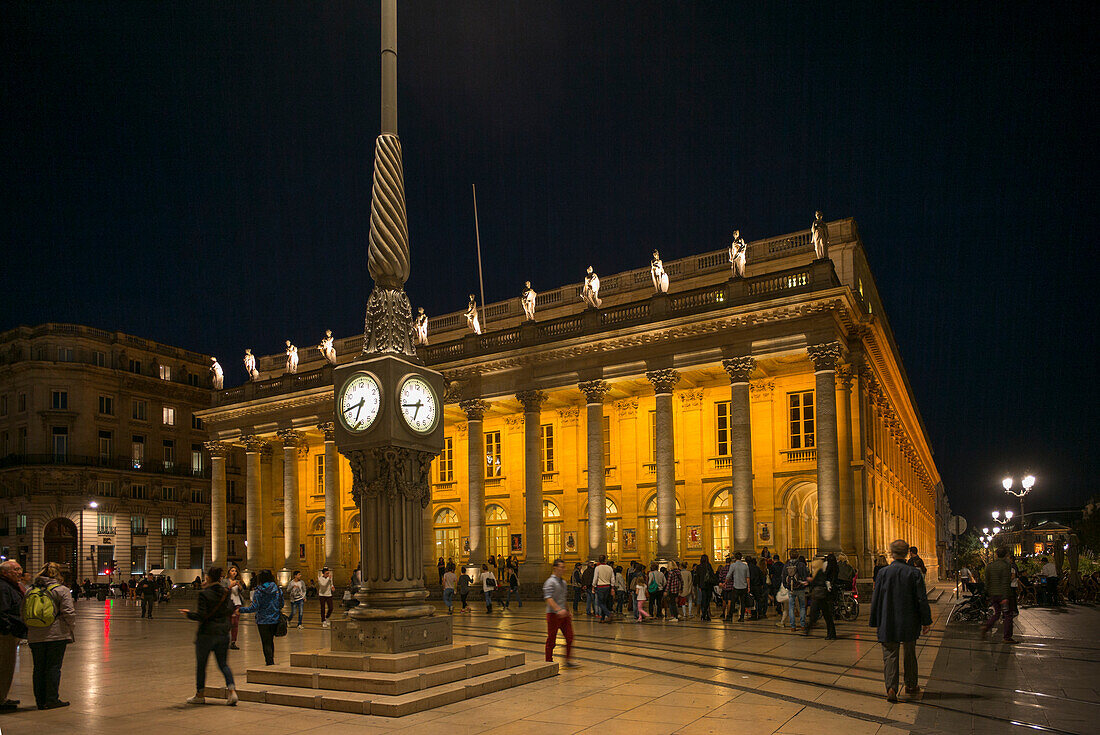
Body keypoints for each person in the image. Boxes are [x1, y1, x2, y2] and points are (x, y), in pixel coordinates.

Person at [869, 539, 932, 702]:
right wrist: (926, 620)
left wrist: (875, 620)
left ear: (892, 553)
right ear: (906, 554)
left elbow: (876, 598)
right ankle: (911, 685)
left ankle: (891, 687)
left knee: (890, 654)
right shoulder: (914, 573)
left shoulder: (883, 573)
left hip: (888, 619)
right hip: (909, 620)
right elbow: (921, 599)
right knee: (910, 653)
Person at [180, 566, 238, 706]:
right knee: (223, 664)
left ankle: (200, 694)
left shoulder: (204, 594)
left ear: (208, 577)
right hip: (223, 633)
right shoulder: (225, 592)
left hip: (206, 634)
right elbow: (231, 609)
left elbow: (202, 615)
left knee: (201, 665)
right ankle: (232, 691)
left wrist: (188, 614)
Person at [24, 562, 76, 710]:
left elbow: (24, 613)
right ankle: (52, 699)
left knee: (38, 668)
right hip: (56, 634)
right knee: (53, 666)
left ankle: (40, 701)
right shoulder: (62, 590)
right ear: (58, 574)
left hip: (35, 636)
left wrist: (32, 628)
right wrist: (70, 628)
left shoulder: (30, 590)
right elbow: (69, 612)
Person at [239, 570, 283, 666]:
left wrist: (241, 610)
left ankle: (269, 662)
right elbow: (281, 604)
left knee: (265, 642)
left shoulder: (258, 591)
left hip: (263, 620)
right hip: (275, 619)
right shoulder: (278, 590)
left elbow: (254, 607)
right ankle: (271, 660)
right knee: (270, 641)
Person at [0, 560, 27, 711]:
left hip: (9, 632)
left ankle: (2, 697)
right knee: (4, 666)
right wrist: (8, 628)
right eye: (15, 570)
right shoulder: (3, 587)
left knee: (7, 667)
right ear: (4, 572)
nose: (19, 572)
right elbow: (2, 611)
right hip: (5, 634)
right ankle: (1, 700)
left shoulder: (10, 585)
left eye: (19, 568)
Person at [543, 559, 576, 667]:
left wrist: (567, 610)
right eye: (561, 567)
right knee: (552, 638)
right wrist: (558, 610)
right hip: (553, 614)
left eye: (564, 567)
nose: (563, 569)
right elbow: (549, 598)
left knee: (570, 637)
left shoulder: (563, 582)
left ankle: (567, 660)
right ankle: (548, 660)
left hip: (564, 614)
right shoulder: (550, 582)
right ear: (555, 568)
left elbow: (563, 598)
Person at [981, 546, 1016, 643]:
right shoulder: (1006, 565)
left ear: (996, 555)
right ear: (1005, 555)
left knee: (997, 614)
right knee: (1008, 615)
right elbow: (1005, 582)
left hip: (993, 594)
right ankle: (1007, 637)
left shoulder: (989, 566)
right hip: (1003, 595)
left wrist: (987, 593)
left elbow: (986, 581)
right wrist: (1005, 597)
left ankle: (986, 627)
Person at [805, 555, 838, 639]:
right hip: (826, 594)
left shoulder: (822, 571)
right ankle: (831, 634)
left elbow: (818, 581)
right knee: (827, 616)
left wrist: (810, 581)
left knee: (819, 613)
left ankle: (808, 629)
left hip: (821, 595)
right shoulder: (834, 568)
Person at [784, 552, 809, 630]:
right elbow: (805, 576)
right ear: (797, 556)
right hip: (800, 588)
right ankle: (802, 624)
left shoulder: (786, 565)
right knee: (802, 606)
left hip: (791, 588)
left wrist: (787, 586)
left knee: (791, 607)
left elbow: (783, 577)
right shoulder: (801, 565)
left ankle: (793, 626)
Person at [726, 552, 750, 622]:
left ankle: (730, 616)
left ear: (735, 558)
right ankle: (741, 617)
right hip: (744, 586)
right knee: (743, 603)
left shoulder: (733, 565)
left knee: (733, 602)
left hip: (736, 586)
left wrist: (725, 582)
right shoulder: (745, 566)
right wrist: (748, 587)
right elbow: (748, 577)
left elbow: (729, 575)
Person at [225, 567, 245, 649]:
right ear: (229, 572)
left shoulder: (238, 581)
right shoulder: (225, 581)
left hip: (237, 603)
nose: (234, 572)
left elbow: (242, 591)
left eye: (235, 571)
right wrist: (230, 586)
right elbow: (223, 591)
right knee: (228, 623)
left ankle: (233, 642)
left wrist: (239, 586)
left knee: (235, 623)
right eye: (232, 571)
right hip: (228, 604)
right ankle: (224, 640)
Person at [593, 555, 615, 622]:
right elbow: (613, 578)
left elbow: (595, 578)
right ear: (605, 560)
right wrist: (612, 587)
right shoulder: (610, 568)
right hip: (607, 586)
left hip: (600, 587)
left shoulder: (597, 568)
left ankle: (608, 614)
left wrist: (593, 586)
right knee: (605, 602)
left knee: (600, 603)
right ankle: (602, 618)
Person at [695, 555, 715, 621]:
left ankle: (704, 614)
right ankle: (705, 614)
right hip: (708, 585)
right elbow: (712, 575)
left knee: (703, 600)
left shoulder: (698, 567)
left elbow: (697, 577)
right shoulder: (708, 566)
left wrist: (699, 585)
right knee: (707, 600)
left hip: (702, 586)